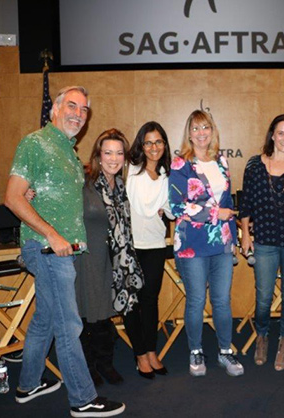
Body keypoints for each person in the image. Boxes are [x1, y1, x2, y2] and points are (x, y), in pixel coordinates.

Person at [5, 86, 125, 417]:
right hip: (47, 249)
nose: (78, 113)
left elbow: (52, 195)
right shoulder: (36, 143)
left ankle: (27, 384)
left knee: (44, 321)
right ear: (55, 109)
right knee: (70, 324)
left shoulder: (70, 153)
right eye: (71, 106)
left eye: (84, 109)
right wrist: (53, 235)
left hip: (64, 250)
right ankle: (83, 399)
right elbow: (12, 197)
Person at [169, 109, 244, 377]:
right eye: (196, 129)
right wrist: (215, 215)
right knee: (197, 300)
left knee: (222, 300)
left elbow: (227, 203)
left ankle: (226, 351)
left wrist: (233, 238)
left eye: (206, 128)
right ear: (189, 133)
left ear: (212, 131)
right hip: (192, 243)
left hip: (221, 243)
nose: (201, 134)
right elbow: (177, 206)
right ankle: (196, 351)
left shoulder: (221, 161)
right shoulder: (181, 164)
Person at [240, 114, 284, 372]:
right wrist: (246, 234)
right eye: (281, 133)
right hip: (265, 242)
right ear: (272, 134)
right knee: (263, 297)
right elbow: (246, 202)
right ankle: (262, 336)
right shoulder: (253, 165)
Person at [73, 128, 144, 386]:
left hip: (114, 261)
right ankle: (89, 367)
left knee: (105, 314)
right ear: (98, 155)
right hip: (89, 259)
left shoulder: (120, 185)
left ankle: (105, 363)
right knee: (89, 315)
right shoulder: (84, 183)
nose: (113, 158)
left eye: (119, 153)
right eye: (108, 153)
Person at [124, 121, 173, 379]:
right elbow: (143, 207)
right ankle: (139, 354)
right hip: (132, 245)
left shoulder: (166, 174)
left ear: (164, 145)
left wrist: (166, 206)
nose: (154, 147)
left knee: (150, 301)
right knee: (132, 303)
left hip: (155, 243)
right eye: (149, 142)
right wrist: (163, 203)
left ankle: (152, 351)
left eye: (159, 142)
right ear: (141, 145)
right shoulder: (133, 171)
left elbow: (173, 211)